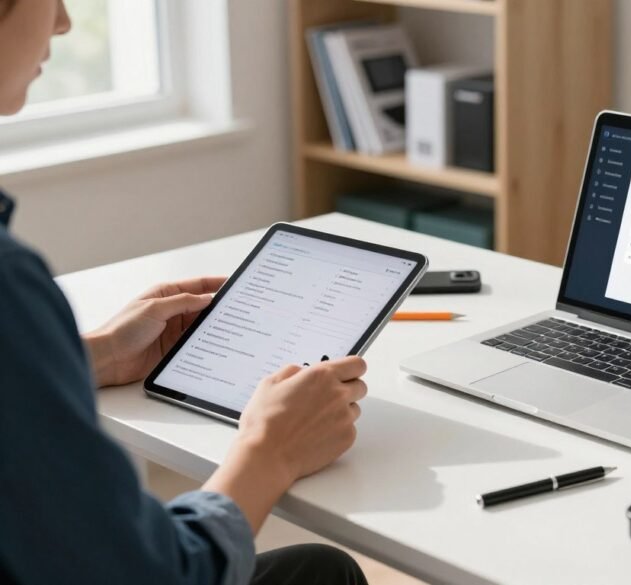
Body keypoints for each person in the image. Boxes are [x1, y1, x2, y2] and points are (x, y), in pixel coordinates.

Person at [0, 2, 369, 583]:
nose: (64, 21)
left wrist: (98, 355)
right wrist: (270, 450)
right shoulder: (9, 283)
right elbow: (151, 573)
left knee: (316, 567)